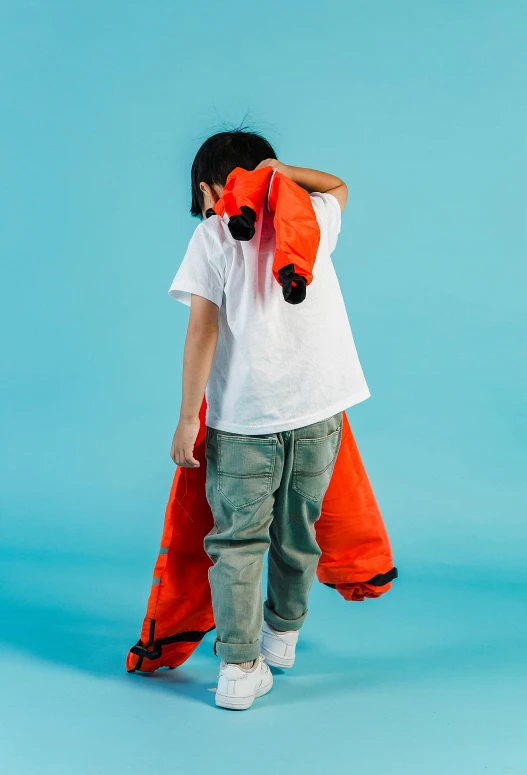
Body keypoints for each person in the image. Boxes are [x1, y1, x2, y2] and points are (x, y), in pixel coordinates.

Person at [168, 127, 371, 710]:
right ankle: (281, 636)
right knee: (296, 531)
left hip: (244, 423)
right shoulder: (310, 217)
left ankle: (238, 668)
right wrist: (282, 171)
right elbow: (338, 185)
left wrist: (188, 419)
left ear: (213, 188)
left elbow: (202, 331)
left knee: (236, 543)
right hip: (316, 415)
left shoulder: (212, 237)